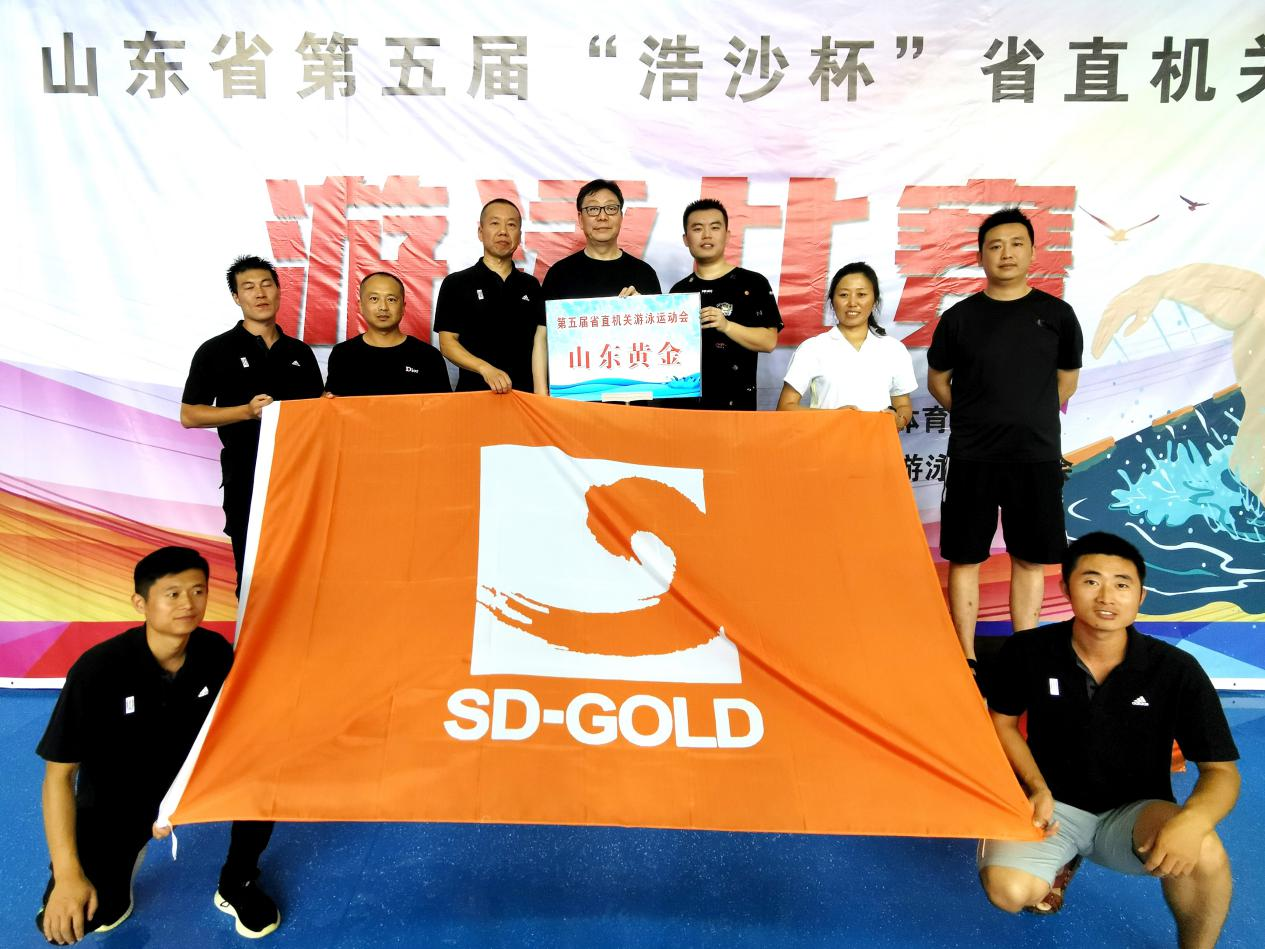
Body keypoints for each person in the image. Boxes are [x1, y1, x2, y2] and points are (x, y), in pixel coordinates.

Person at [979, 532, 1238, 948]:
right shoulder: (1028, 650)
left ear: (1140, 596)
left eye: (1122, 584)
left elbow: (1220, 771)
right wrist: (1036, 787)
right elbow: (1003, 723)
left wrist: (1194, 820)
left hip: (1133, 814)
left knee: (1205, 850)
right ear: (1066, 589)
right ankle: (1059, 857)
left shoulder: (1176, 669)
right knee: (1008, 892)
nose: (1106, 596)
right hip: (1051, 808)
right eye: (1091, 580)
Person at [35, 547, 280, 944]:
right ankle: (122, 863)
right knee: (82, 920)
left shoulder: (214, 653)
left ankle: (238, 882)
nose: (188, 604)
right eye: (173, 594)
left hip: (191, 785)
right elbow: (58, 778)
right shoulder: (97, 671)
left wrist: (187, 800)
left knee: (266, 772)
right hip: (118, 800)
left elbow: (238, 731)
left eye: (198, 591)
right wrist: (67, 877)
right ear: (141, 603)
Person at [926, 208, 1083, 671]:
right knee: (965, 557)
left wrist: (1027, 417)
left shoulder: (1057, 315)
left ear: (1033, 252)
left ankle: (1025, 654)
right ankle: (966, 656)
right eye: (995, 246)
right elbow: (938, 381)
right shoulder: (959, 317)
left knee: (1030, 558)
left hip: (1035, 456)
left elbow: (1066, 382)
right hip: (973, 455)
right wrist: (976, 416)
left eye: (1016, 244)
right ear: (981, 256)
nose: (1006, 253)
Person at [181, 256, 323, 595]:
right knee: (254, 578)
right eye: (248, 287)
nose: (260, 293)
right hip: (247, 477)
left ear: (278, 291)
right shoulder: (215, 350)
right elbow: (190, 415)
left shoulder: (300, 352)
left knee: (305, 575)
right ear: (236, 297)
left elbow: (316, 415)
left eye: (266, 284)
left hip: (300, 478)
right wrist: (246, 411)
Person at [669, 199, 782, 410]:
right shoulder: (679, 291)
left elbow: (769, 341)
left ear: (727, 235)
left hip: (736, 408)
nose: (706, 235)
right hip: (684, 409)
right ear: (686, 239)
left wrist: (727, 326)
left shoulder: (753, 283)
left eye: (714, 227)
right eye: (697, 228)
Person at [777, 262, 916, 427]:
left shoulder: (893, 349)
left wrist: (899, 420)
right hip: (827, 440)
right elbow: (785, 407)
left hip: (879, 441)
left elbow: (903, 404)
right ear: (832, 301)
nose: (852, 303)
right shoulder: (813, 348)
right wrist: (834, 417)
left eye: (861, 294)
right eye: (843, 295)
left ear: (874, 301)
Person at [434, 200, 547, 395]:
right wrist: (484, 369)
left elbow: (540, 342)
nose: (503, 231)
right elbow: (447, 343)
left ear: (519, 236)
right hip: (474, 396)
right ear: (480, 232)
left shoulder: (531, 285)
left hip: (524, 397)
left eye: (511, 225)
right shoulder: (456, 283)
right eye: (495, 223)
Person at [325, 271, 450, 397]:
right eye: (374, 299)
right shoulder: (342, 354)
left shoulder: (428, 356)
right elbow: (333, 403)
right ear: (361, 306)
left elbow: (444, 405)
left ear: (403, 307)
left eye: (391, 299)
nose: (383, 307)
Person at [541, 179, 661, 301]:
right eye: (593, 209)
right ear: (580, 219)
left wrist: (643, 306)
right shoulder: (558, 274)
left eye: (611, 208)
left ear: (621, 217)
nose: (602, 217)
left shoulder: (645, 274)